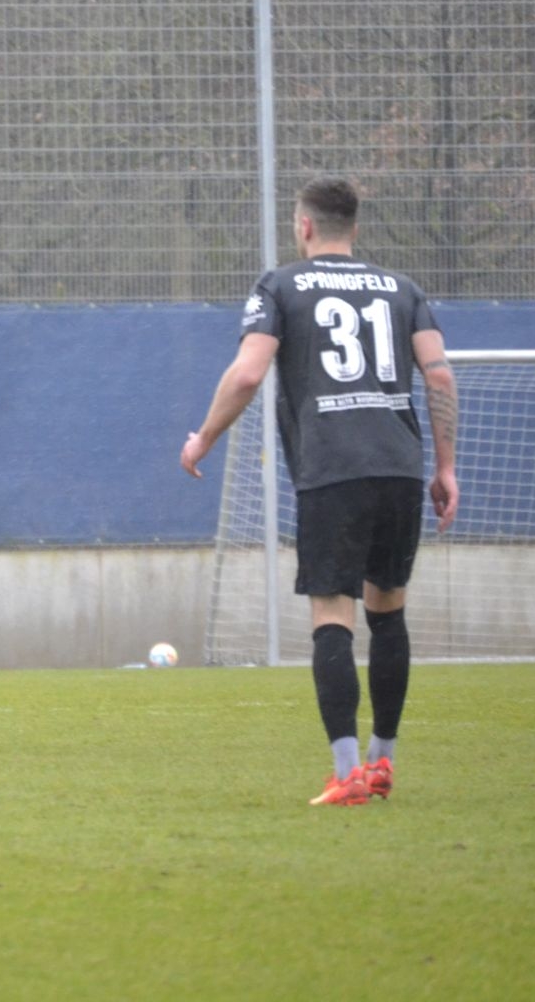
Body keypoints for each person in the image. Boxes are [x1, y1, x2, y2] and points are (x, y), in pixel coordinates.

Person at [181, 177, 458, 806]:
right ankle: (383, 763)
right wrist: (446, 468)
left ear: (303, 225)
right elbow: (439, 376)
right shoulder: (403, 288)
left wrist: (203, 439)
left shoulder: (280, 286)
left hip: (333, 468)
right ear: (354, 228)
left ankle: (347, 773)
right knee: (388, 611)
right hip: (398, 465)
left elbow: (248, 373)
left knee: (333, 614)